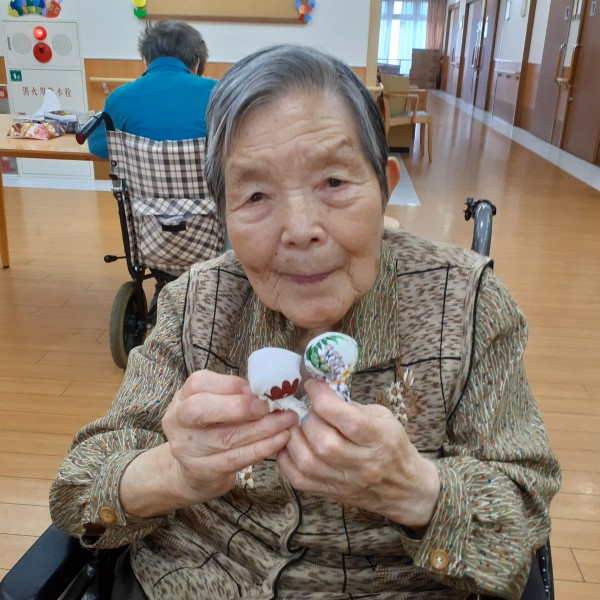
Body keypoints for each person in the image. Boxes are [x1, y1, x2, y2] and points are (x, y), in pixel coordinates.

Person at [50, 45, 560, 599]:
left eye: (333, 182)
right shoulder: (195, 304)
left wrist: (415, 491)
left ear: (385, 184)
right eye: (255, 195)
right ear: (224, 215)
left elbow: (520, 523)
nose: (299, 229)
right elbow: (77, 491)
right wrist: (173, 473)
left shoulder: (467, 305)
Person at [87, 20, 216, 159]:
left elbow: (97, 147)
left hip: (138, 174)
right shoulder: (218, 93)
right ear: (197, 62)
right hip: (204, 174)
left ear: (145, 60)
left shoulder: (119, 98)